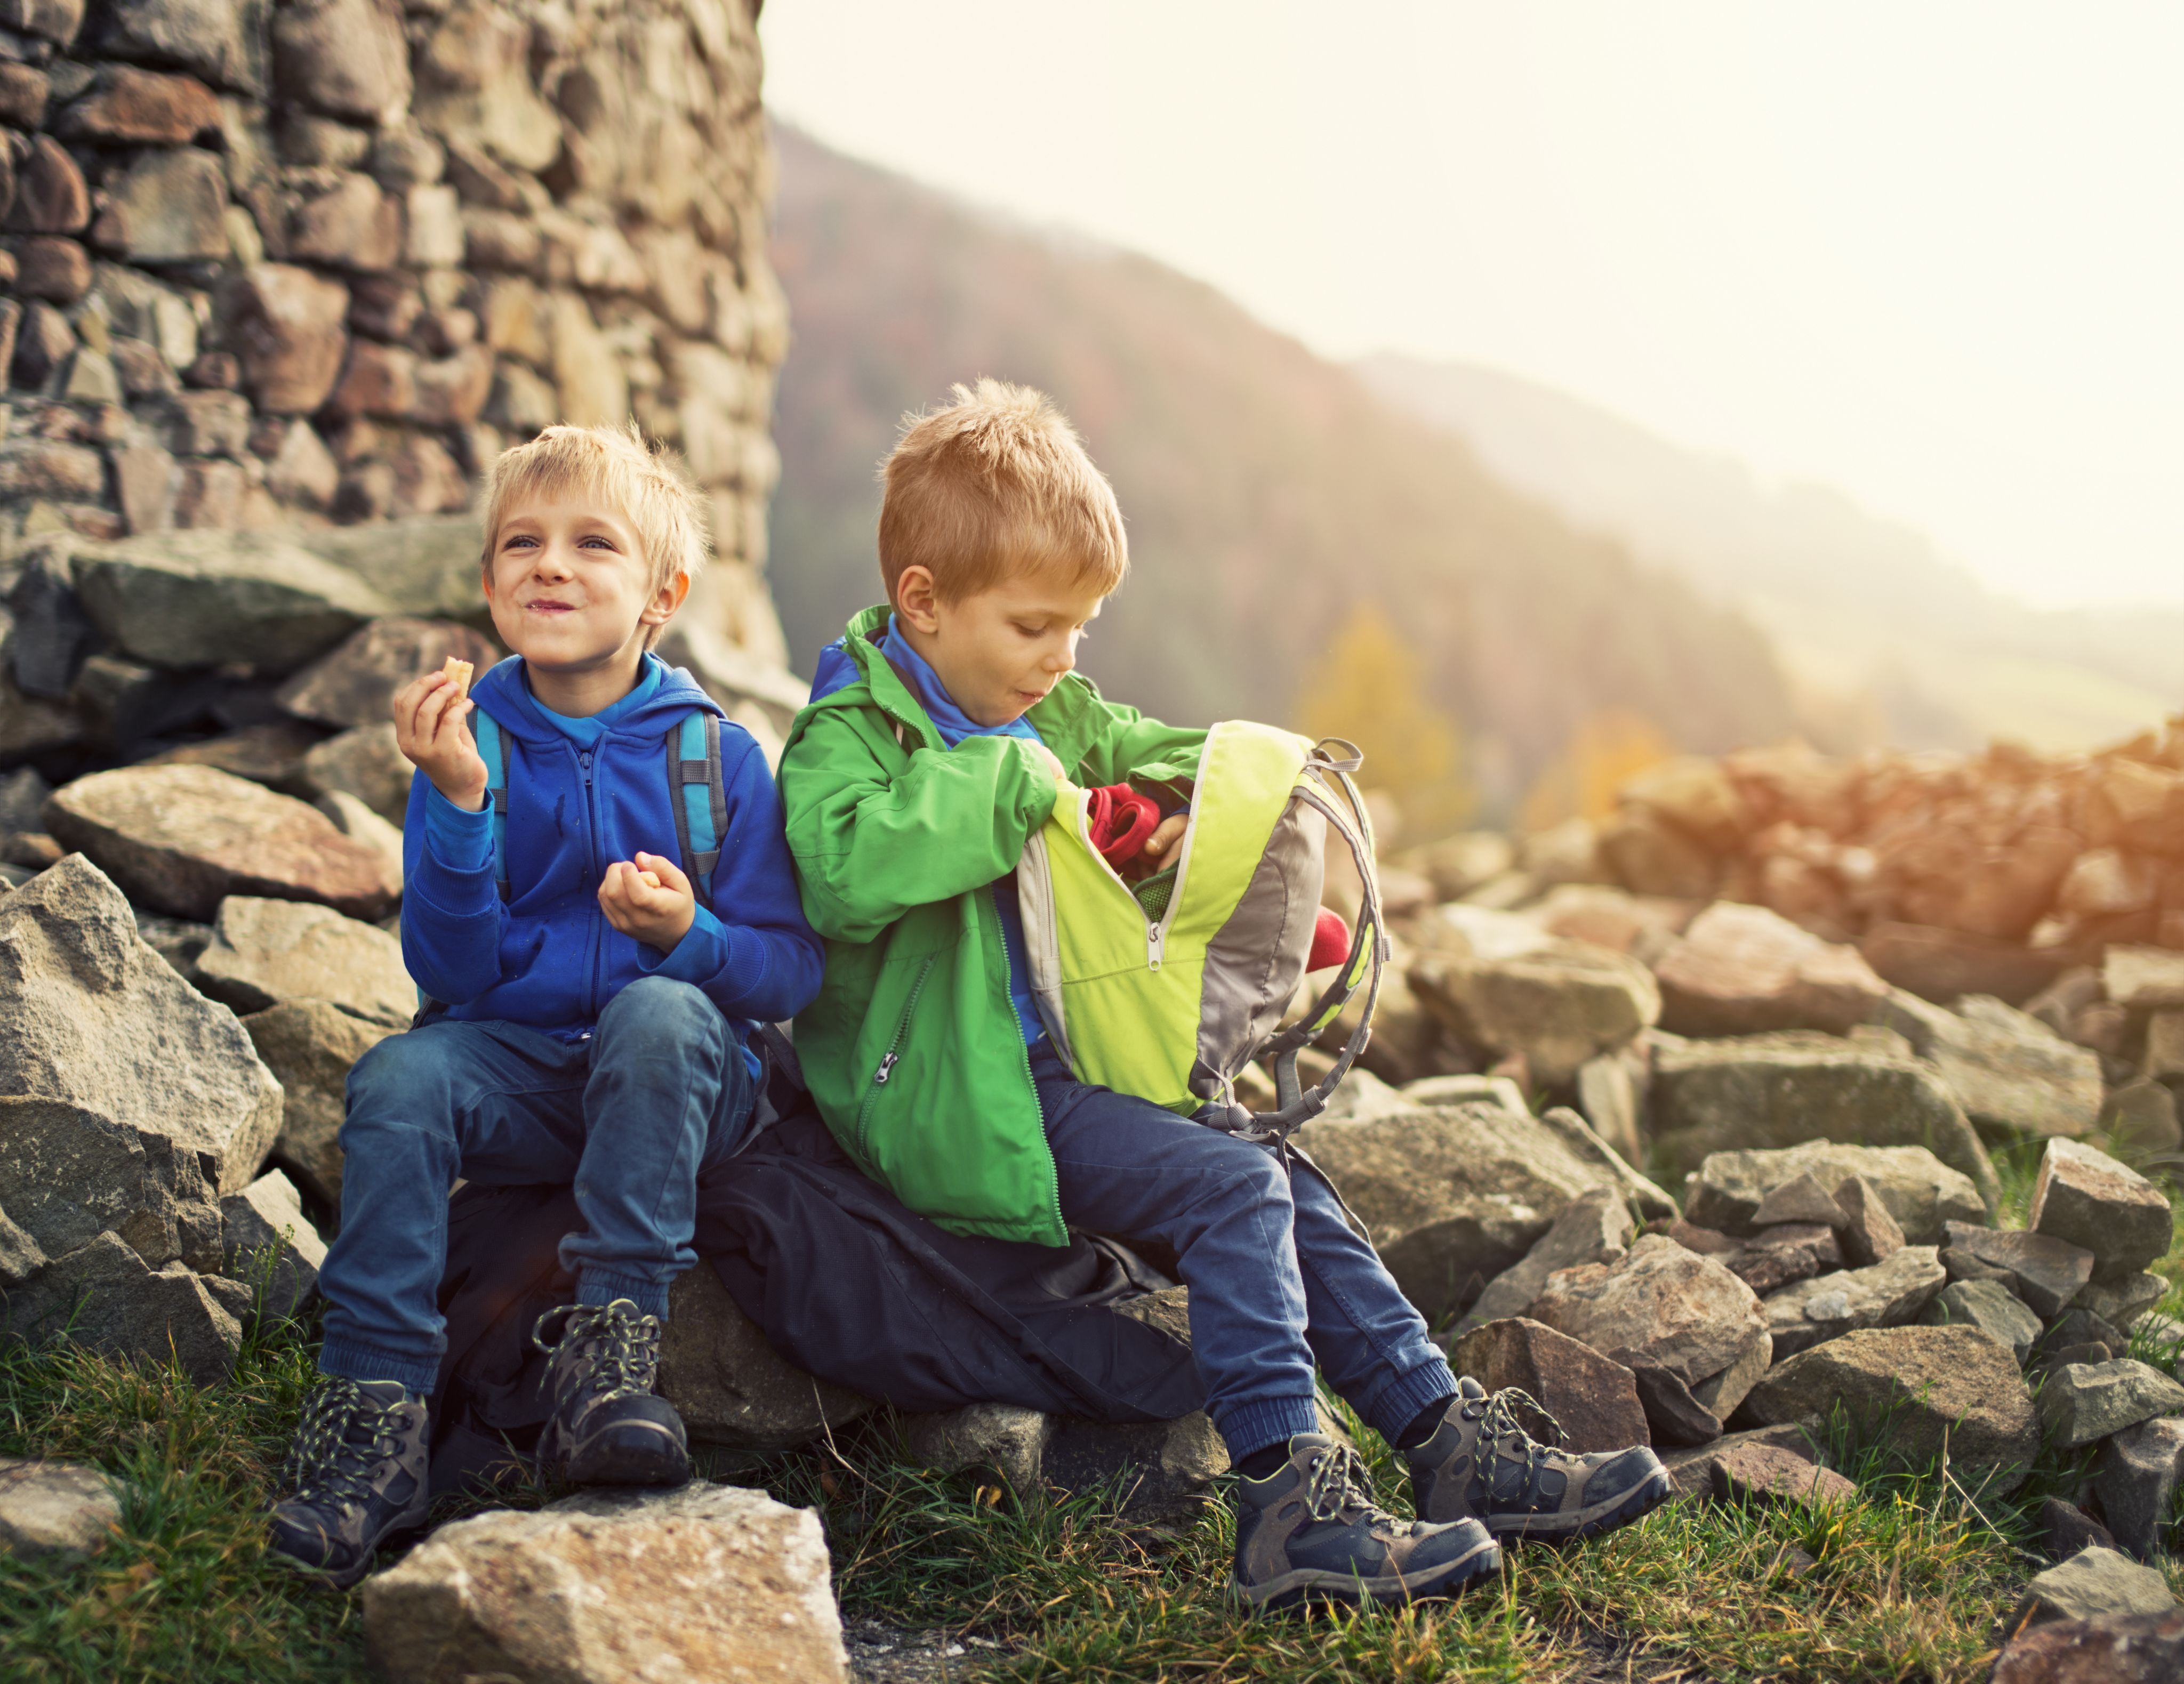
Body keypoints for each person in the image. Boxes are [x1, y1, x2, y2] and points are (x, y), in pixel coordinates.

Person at [779, 380, 1668, 1609]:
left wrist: (1221, 789)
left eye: (1082, 629)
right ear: (921, 603)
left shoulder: (1051, 707)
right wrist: (1017, 789)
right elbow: (840, 873)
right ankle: (1289, 1503)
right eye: (1035, 626)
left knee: (1277, 1171)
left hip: (1062, 1073)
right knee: (1230, 1184)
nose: (1061, 660)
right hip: (952, 1096)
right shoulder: (850, 738)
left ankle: (1447, 1440)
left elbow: (1144, 745)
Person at [268, 424, 824, 1589]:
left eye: (591, 543)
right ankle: (371, 1418)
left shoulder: (714, 757)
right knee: (400, 1077)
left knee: (661, 1013)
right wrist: (461, 806)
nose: (550, 565)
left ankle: (607, 1359)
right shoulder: (471, 746)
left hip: (678, 1080)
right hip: (522, 1070)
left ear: (660, 596)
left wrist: (688, 937)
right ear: (485, 582)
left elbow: (787, 972)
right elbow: (451, 977)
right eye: (521, 542)